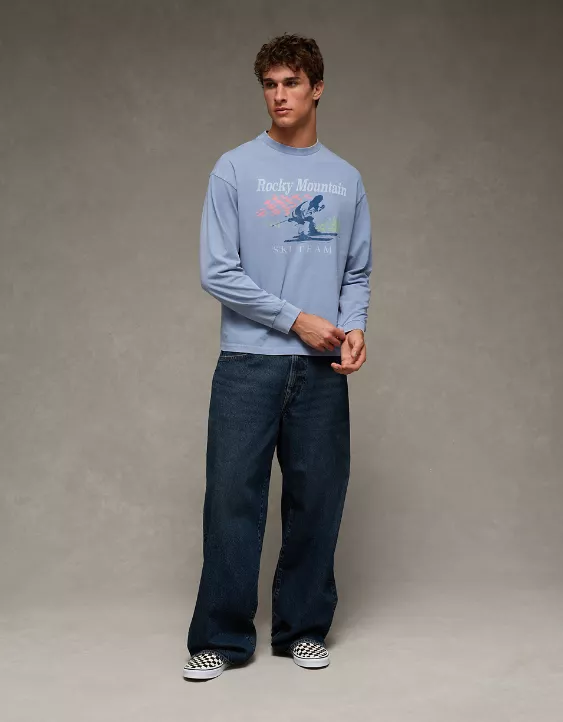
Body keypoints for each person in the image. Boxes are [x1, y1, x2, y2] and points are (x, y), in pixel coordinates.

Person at [183, 32, 373, 680]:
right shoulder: (234, 169)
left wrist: (353, 327)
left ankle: (302, 630)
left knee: (317, 498)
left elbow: (356, 271)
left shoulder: (344, 179)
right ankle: (220, 639)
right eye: (270, 84)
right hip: (248, 363)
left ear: (317, 88)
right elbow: (218, 271)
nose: (279, 95)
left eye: (291, 83)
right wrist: (297, 320)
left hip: (323, 369)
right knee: (231, 501)